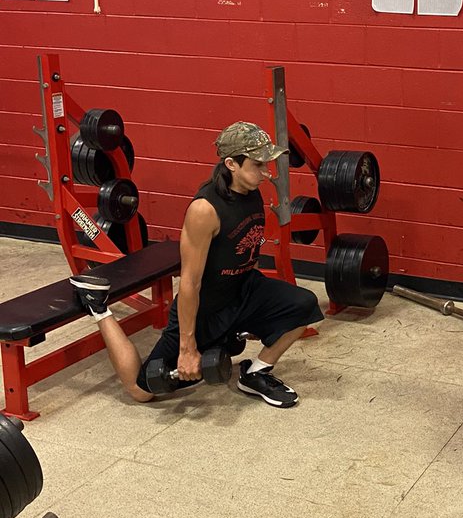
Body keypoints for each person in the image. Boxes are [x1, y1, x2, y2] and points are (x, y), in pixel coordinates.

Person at [69, 122, 323, 409]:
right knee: (142, 390)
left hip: (243, 289)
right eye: (258, 165)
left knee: (303, 305)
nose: (266, 173)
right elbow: (190, 283)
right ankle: (99, 308)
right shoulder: (205, 210)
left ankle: (256, 373)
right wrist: (187, 348)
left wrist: (255, 316)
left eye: (268, 164)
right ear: (231, 164)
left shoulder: (250, 188)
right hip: (207, 307)